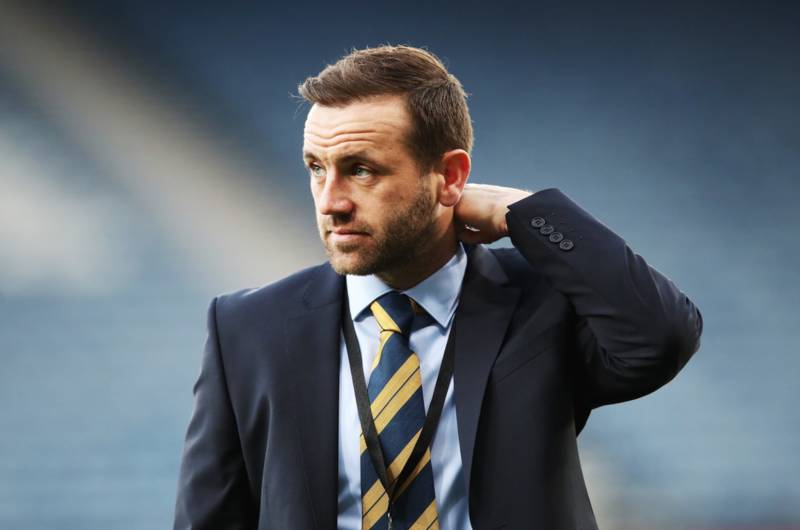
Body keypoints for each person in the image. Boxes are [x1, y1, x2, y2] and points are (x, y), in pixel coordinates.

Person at [173, 45, 703, 530]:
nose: (331, 201)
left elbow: (661, 337)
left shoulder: (543, 303)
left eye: (361, 170)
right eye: (317, 168)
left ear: (450, 176)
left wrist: (521, 212)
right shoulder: (246, 329)